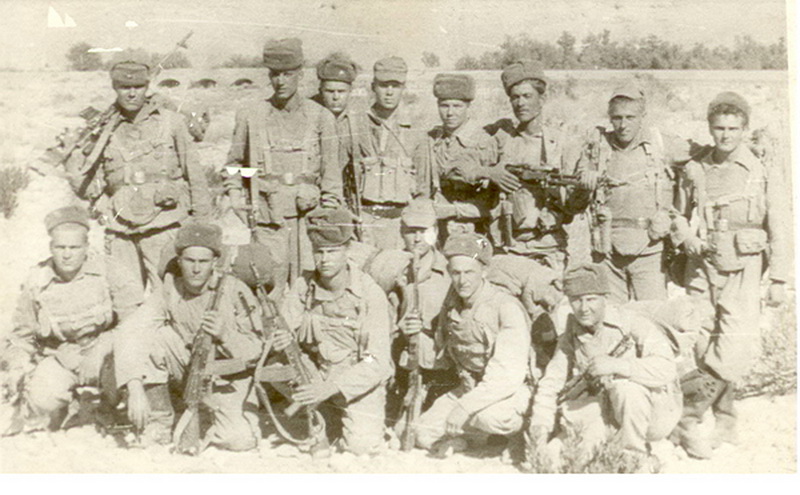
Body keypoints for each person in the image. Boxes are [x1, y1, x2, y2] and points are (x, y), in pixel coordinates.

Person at [669, 91, 790, 459]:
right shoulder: (696, 168)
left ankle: (688, 417)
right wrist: (686, 237)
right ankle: (726, 419)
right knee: (701, 341)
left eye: (733, 129)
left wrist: (780, 279)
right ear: (710, 128)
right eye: (719, 128)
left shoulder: (760, 170)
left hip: (745, 265)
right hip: (701, 264)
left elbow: (781, 223)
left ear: (745, 129)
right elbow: (677, 213)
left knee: (734, 345)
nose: (725, 135)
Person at [65, 57, 212, 295]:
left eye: (138, 87)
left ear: (147, 87)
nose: (132, 93)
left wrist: (202, 230)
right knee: (125, 300)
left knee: (169, 296)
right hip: (120, 231)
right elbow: (89, 188)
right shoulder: (102, 130)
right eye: (125, 87)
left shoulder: (172, 122)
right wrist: (72, 160)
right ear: (115, 88)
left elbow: (196, 176)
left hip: (165, 225)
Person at [115, 222, 264, 450]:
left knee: (238, 440)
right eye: (189, 261)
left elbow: (256, 349)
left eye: (203, 262)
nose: (196, 269)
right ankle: (159, 422)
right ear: (179, 261)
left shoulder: (235, 290)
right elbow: (131, 329)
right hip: (190, 368)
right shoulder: (169, 290)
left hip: (230, 379)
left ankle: (213, 417)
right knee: (154, 337)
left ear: (214, 262)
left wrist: (225, 335)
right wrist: (134, 387)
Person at [2, 206, 143, 433]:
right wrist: (16, 367)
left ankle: (106, 407)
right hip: (63, 358)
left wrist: (102, 348)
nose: (67, 254)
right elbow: (22, 337)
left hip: (107, 355)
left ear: (86, 247)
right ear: (51, 247)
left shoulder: (107, 269)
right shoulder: (37, 280)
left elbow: (135, 321)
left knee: (129, 385)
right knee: (41, 399)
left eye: (74, 247)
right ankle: (67, 406)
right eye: (60, 247)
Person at [528, 264, 682, 467]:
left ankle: (634, 456)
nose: (584, 308)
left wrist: (618, 366)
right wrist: (540, 429)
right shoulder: (571, 333)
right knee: (563, 457)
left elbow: (666, 368)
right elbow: (551, 382)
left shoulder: (632, 322)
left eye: (591, 299)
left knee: (626, 388)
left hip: (652, 414)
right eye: (576, 300)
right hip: (605, 412)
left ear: (604, 298)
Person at [275, 208, 393, 454]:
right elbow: (283, 330)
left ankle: (338, 416)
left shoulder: (369, 294)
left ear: (347, 250)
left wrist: (331, 387)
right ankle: (322, 417)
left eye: (332, 251)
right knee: (274, 364)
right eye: (319, 252)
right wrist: (283, 339)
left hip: (357, 381)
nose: (325, 259)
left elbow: (376, 361)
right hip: (316, 372)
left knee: (361, 447)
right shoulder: (303, 287)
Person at [224, 38, 340, 285]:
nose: (281, 81)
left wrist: (327, 217)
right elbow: (234, 164)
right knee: (269, 285)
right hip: (268, 220)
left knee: (307, 284)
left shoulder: (321, 117)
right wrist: (235, 196)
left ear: (300, 74)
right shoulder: (251, 115)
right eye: (275, 74)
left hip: (308, 219)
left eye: (288, 74)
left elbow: (331, 176)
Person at [414, 233, 531, 457]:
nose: (462, 281)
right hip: (470, 387)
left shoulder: (505, 307)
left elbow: (507, 376)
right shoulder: (452, 303)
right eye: (456, 273)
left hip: (508, 389)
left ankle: (521, 433)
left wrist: (464, 407)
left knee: (490, 417)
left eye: (469, 272)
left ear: (484, 271)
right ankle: (476, 439)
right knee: (423, 432)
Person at [576, 82, 691, 303]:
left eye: (630, 117)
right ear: (610, 118)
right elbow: (575, 199)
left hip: (650, 250)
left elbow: (702, 154)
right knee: (610, 317)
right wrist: (585, 182)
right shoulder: (597, 147)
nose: (623, 125)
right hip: (606, 251)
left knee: (653, 315)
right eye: (617, 118)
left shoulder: (661, 144)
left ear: (642, 117)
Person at [484, 59, 584, 273]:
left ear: (542, 98)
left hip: (548, 248)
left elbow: (574, 205)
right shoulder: (500, 139)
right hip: (507, 248)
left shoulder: (560, 144)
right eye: (515, 97)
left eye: (527, 96)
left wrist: (583, 189)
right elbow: (464, 163)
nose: (520, 103)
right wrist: (490, 172)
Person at [364, 198, 455, 424]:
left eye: (424, 231)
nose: (417, 238)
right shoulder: (386, 267)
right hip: (394, 360)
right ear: (401, 232)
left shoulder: (451, 271)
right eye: (411, 231)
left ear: (435, 232)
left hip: (437, 366)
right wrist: (397, 329)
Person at [415, 73, 498, 238]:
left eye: (457, 106)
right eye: (444, 106)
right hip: (435, 226)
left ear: (468, 107)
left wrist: (452, 211)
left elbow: (492, 201)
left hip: (472, 228)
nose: (450, 113)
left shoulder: (484, 142)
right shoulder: (431, 140)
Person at [354, 57, 424, 249]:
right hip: (364, 219)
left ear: (403, 88)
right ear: (373, 87)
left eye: (396, 86)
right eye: (384, 85)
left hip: (401, 224)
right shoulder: (356, 125)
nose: (389, 92)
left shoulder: (416, 129)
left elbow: (423, 188)